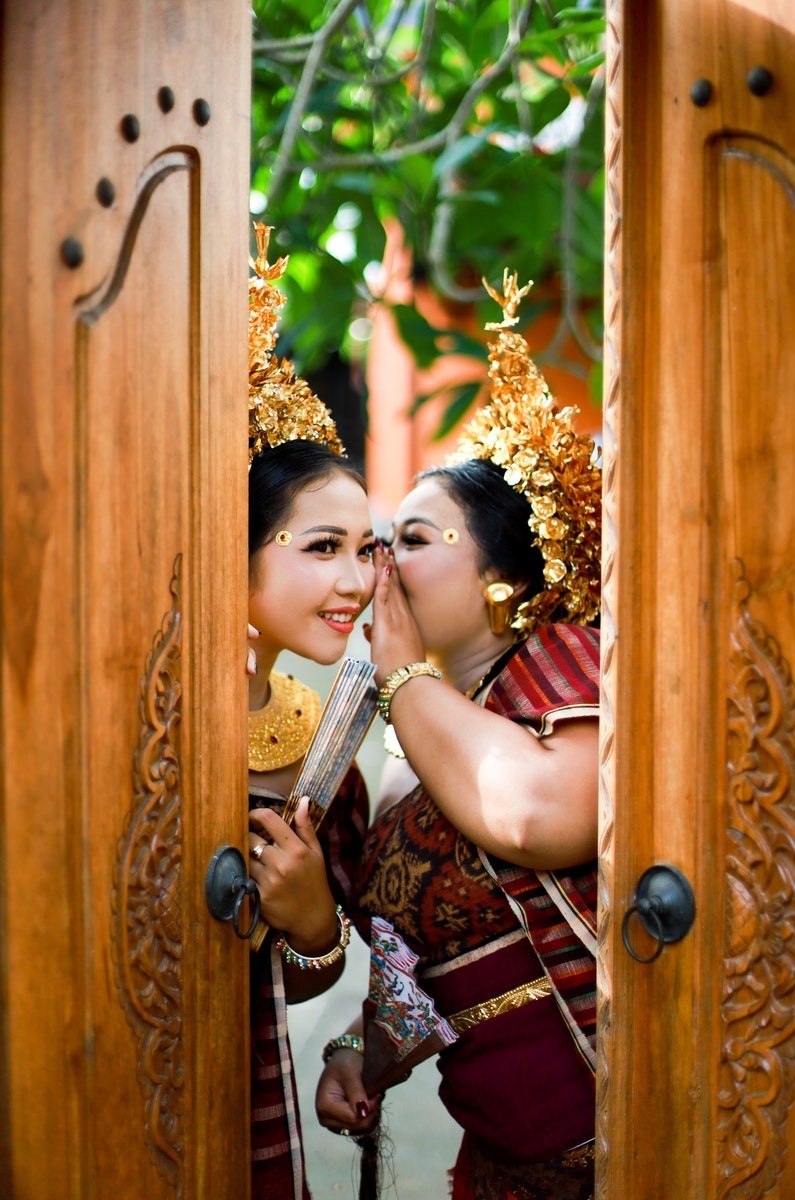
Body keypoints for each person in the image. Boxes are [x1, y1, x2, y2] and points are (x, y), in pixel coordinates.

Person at [315, 272, 602, 1200]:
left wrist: (400, 675)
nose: (383, 559)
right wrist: (364, 1053)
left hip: (632, 1148)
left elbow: (539, 815)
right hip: (506, 1173)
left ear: (500, 582)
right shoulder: (410, 739)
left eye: (416, 536)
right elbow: (422, 970)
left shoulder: (564, 664)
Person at [245, 225, 376, 1200]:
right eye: (321, 547)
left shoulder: (318, 745)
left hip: (241, 1097)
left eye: (367, 551)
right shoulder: (118, 721)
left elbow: (296, 982)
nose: (357, 581)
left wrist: (311, 921)